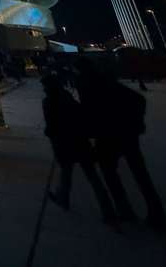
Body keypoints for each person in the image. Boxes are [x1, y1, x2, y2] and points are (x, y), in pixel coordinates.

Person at [76, 59, 166, 230]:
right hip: (125, 134)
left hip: (109, 135)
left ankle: (125, 210)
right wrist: (135, 123)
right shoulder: (105, 83)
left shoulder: (90, 85)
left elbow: (89, 110)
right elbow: (139, 100)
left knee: (110, 173)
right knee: (140, 174)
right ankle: (156, 214)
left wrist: (90, 129)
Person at [41, 74, 116, 223]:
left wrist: (50, 134)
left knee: (67, 173)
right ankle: (107, 209)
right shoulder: (68, 97)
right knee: (92, 176)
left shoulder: (49, 102)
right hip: (80, 142)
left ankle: (63, 198)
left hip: (64, 143)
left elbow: (51, 126)